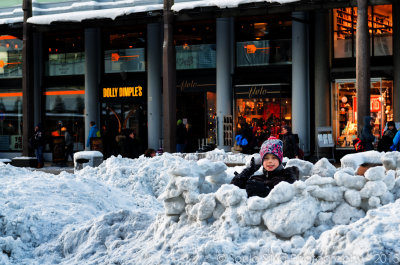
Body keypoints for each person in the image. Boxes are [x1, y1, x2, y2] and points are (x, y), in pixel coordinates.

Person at [231, 137, 299, 198]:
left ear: (280, 159)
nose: (270, 161)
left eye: (274, 158)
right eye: (266, 158)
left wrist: (266, 191)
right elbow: (233, 190)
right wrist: (247, 172)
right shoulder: (257, 178)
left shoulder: (287, 176)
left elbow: (287, 194)